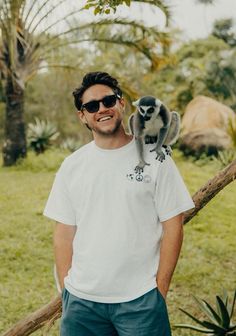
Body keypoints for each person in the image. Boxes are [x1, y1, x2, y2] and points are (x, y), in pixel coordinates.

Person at [43, 71, 195, 336]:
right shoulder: (72, 166)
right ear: (83, 116)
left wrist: (160, 290)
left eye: (108, 100)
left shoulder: (156, 158)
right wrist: (67, 291)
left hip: (141, 301)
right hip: (82, 305)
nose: (102, 109)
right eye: (91, 106)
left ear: (121, 103)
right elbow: (63, 233)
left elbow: (173, 226)